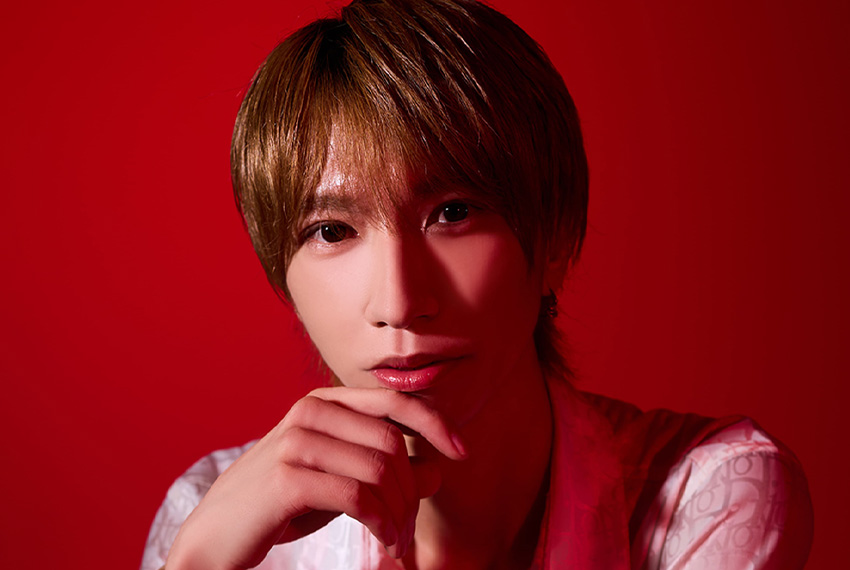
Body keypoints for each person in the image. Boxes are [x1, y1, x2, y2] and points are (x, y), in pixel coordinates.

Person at [141, 0, 814, 568]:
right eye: (333, 230)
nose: (400, 303)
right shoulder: (213, 513)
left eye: (453, 213)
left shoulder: (711, 490)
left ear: (555, 238)